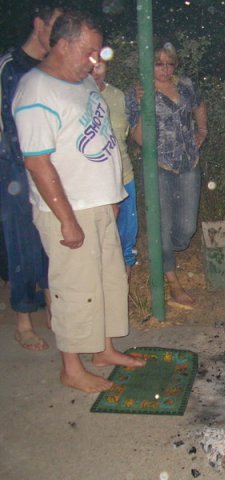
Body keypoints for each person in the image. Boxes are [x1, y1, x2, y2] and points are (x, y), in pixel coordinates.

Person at [13, 10, 145, 393]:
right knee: (74, 290)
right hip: (69, 209)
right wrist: (67, 220)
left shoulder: (83, 80)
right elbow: (37, 163)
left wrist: (112, 195)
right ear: (62, 45)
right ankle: (71, 368)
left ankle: (103, 350)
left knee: (107, 282)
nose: (94, 59)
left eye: (97, 52)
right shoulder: (36, 91)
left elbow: (100, 136)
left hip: (99, 204)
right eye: (88, 51)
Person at [0, 5, 64, 351]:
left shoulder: (53, 66)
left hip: (51, 164)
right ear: (39, 24)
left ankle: (53, 307)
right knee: (22, 243)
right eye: (55, 25)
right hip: (14, 169)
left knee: (52, 238)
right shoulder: (9, 66)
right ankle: (23, 321)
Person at [126, 41, 207, 308]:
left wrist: (202, 131)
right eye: (158, 64)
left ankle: (160, 252)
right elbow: (139, 138)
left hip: (188, 163)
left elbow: (198, 105)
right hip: (158, 167)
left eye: (170, 63)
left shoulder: (185, 85)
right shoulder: (137, 92)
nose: (165, 69)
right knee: (162, 226)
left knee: (186, 228)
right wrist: (143, 106)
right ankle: (172, 280)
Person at [91, 58, 138, 278]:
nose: (94, 71)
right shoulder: (70, 96)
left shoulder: (119, 97)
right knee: (96, 244)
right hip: (91, 186)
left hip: (123, 177)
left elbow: (132, 136)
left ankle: (123, 291)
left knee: (125, 240)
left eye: (99, 65)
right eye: (89, 65)